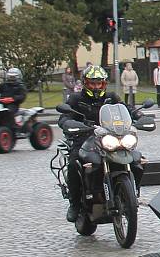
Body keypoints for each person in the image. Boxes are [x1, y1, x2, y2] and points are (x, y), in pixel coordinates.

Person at [58, 65, 142, 223]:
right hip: (84, 138)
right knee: (74, 163)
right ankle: (75, 204)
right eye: (92, 83)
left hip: (111, 137)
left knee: (137, 159)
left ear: (104, 84)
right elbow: (64, 116)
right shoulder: (76, 99)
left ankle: (131, 194)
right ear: (85, 83)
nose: (96, 87)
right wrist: (68, 122)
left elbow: (127, 109)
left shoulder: (111, 97)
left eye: (99, 83)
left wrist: (139, 115)